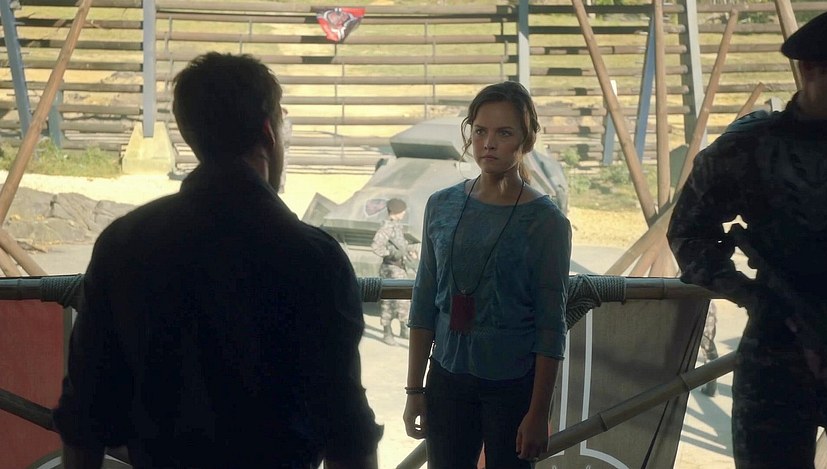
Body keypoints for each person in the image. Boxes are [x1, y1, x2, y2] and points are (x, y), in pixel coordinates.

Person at [52, 52, 382, 469]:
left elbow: (85, 414)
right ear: (269, 132)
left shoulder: (123, 242)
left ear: (190, 133)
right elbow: (346, 428)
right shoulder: (314, 256)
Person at [668, 10, 827, 468]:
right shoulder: (750, 147)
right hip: (778, 347)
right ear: (812, 69)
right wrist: (750, 294)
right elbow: (688, 232)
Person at [402, 81, 572, 468]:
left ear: (526, 140)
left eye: (504, 133)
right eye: (480, 131)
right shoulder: (441, 205)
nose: (489, 143)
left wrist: (539, 412)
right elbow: (424, 300)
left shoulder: (546, 222)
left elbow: (551, 322)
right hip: (446, 377)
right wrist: (414, 389)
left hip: (512, 384)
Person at [371, 197, 417, 345]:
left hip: (400, 269)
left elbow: (401, 245)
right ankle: (387, 333)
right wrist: (391, 253)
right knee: (388, 302)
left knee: (404, 301)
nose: (404, 213)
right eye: (402, 211)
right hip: (390, 270)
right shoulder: (386, 228)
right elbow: (376, 247)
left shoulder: (396, 226)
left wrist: (409, 250)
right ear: (396, 211)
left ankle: (404, 329)